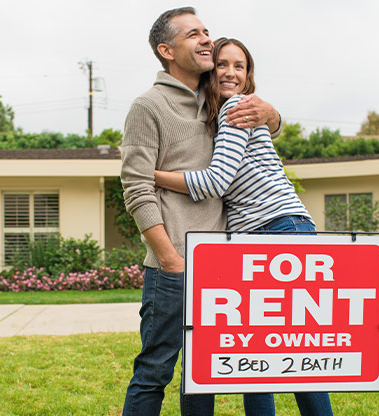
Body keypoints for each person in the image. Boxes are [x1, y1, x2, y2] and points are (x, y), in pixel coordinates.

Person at [153, 38, 334, 415]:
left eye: (241, 66)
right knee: (258, 352)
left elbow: (216, 182)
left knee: (294, 353)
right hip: (262, 234)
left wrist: (151, 174)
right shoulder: (219, 117)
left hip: (280, 227)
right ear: (208, 69)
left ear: (249, 75)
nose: (232, 73)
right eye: (223, 64)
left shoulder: (236, 108)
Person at [120, 8, 283, 416]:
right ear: (167, 50)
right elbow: (136, 187)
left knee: (203, 375)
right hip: (173, 262)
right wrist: (170, 258)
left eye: (207, 31)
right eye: (194, 34)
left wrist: (274, 115)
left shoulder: (218, 100)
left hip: (220, 262)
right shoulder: (148, 105)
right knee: (156, 369)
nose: (207, 39)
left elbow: (261, 129)